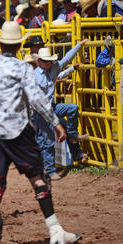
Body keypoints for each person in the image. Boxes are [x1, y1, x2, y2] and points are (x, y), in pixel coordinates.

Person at [0, 21, 81, 244]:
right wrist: (55, 122)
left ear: (0, 44)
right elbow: (37, 99)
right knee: (38, 179)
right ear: (20, 45)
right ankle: (55, 232)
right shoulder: (22, 69)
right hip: (19, 131)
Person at [32, 41, 89, 181]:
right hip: (41, 111)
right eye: (46, 61)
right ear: (39, 61)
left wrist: (79, 45)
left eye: (49, 61)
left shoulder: (53, 67)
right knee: (48, 140)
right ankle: (50, 170)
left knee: (73, 108)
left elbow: (66, 59)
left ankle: (73, 135)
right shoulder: (36, 76)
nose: (49, 64)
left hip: (51, 107)